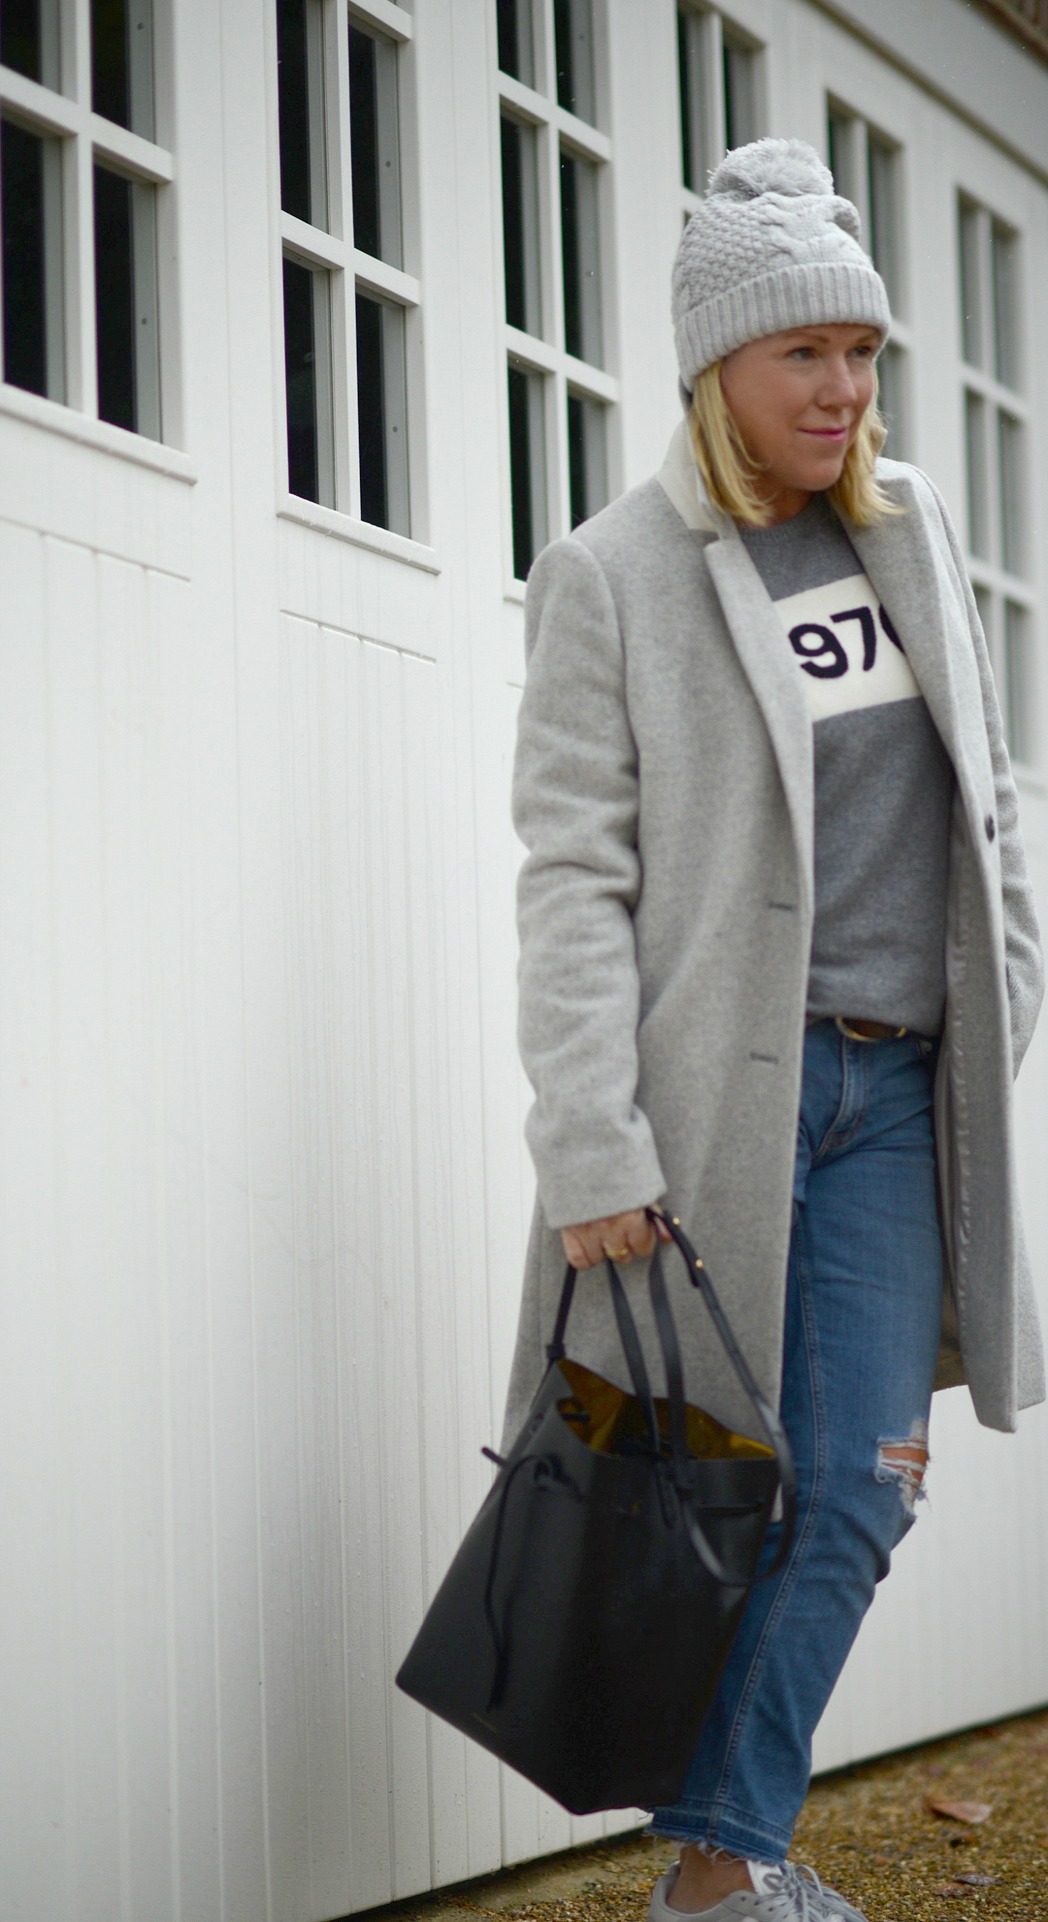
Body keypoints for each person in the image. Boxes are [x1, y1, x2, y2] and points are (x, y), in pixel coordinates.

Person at [502, 138, 1045, 1922]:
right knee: (709, 1493)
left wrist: (1007, 986)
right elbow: (572, 873)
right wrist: (589, 1133)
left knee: (865, 1488)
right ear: (718, 364)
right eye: (805, 350)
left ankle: (717, 1863)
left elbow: (992, 802)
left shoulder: (914, 532)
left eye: (863, 351)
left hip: (895, 1097)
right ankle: (731, 1880)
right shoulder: (618, 572)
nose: (843, 385)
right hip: (713, 1111)